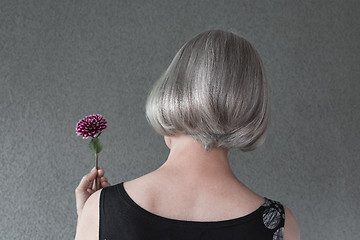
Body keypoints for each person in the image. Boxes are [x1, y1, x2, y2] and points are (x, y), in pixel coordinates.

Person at [75, 30, 300, 240]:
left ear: (173, 91)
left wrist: (97, 216)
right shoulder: (280, 224)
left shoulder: (102, 208)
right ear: (250, 106)